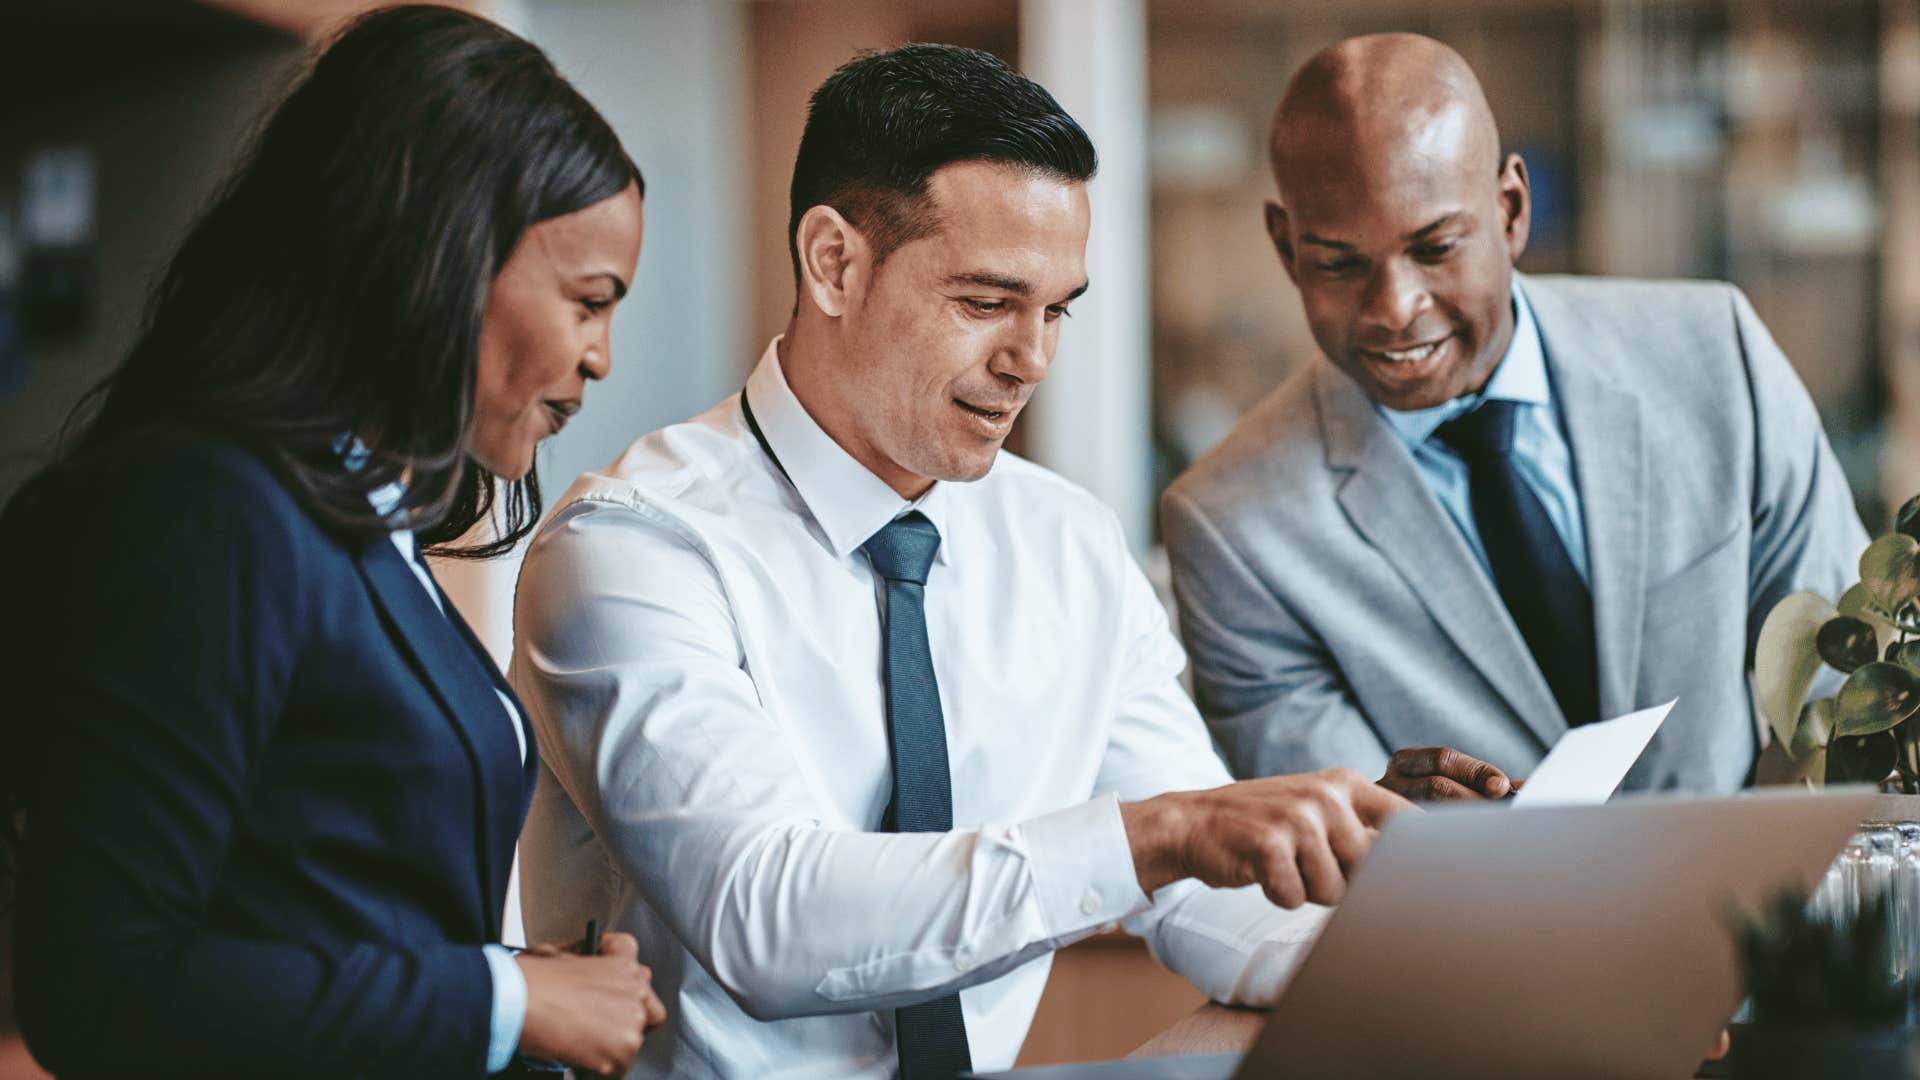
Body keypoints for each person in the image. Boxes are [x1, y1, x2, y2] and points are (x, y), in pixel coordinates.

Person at [509, 43, 1506, 1080]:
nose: (1031, 358)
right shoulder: (633, 548)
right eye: (986, 302)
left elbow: (1206, 893)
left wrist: (1457, 953)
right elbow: (768, 920)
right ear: (834, 262)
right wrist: (1162, 833)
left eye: (1057, 308)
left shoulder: (1065, 545)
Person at [0, 7, 663, 1076]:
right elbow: (103, 983)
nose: (601, 359)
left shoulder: (362, 526)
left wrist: (516, 993)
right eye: (589, 302)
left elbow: (321, 904)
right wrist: (503, 997)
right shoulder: (209, 512)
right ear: (439, 258)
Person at [1162, 33, 1869, 794]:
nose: (1395, 310)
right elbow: (1339, 835)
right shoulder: (1232, 527)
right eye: (1339, 262)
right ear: (1285, 247)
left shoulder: (1715, 360)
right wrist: (1391, 828)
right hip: (1466, 914)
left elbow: (1844, 703)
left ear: (1511, 210)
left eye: (1435, 247)